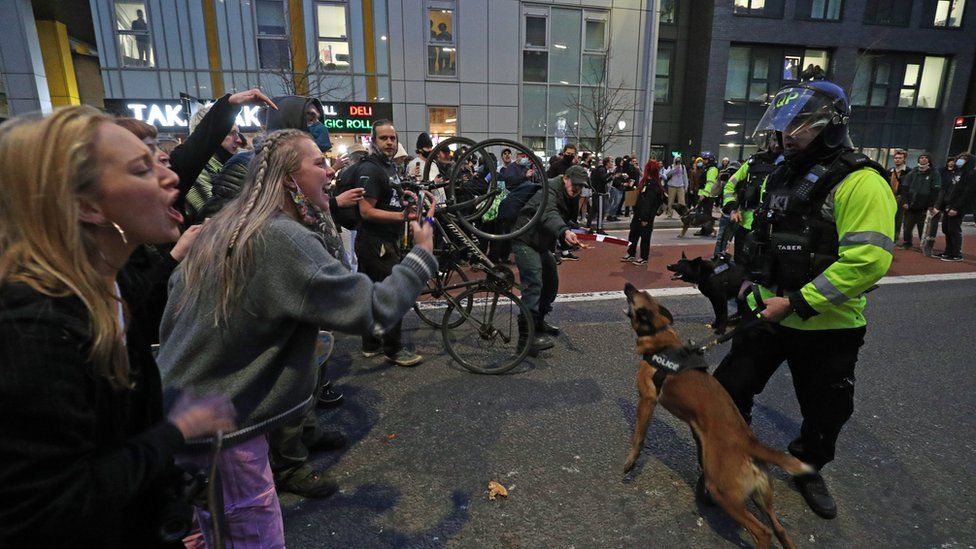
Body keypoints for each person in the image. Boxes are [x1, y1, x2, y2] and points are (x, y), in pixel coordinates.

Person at [157, 129, 437, 545]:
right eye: (319, 163)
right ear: (290, 179)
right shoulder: (280, 237)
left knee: (209, 532)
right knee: (252, 535)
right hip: (220, 429)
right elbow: (374, 311)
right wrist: (422, 255)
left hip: (180, 420)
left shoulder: (227, 226)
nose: (331, 170)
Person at [0, 106, 235, 546]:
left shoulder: (112, 282)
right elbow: (51, 507)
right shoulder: (32, 331)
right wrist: (176, 430)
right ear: (86, 205)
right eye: (143, 168)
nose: (171, 178)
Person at [714, 80, 896, 520]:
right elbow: (763, 235)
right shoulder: (782, 171)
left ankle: (807, 466)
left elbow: (868, 260)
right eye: (784, 125)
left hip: (827, 325)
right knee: (728, 389)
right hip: (766, 311)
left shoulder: (861, 182)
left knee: (826, 409)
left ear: (830, 126)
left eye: (800, 125)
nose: (788, 134)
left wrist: (796, 303)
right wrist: (747, 286)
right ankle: (733, 459)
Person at [356, 120, 426, 366]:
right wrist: (401, 216)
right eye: (383, 138)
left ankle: (371, 344)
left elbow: (388, 199)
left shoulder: (388, 167)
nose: (389, 142)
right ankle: (394, 349)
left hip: (379, 240)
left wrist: (402, 199)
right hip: (377, 242)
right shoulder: (373, 169)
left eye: (392, 138)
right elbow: (365, 210)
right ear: (373, 141)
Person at [511, 165, 587, 355]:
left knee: (551, 280)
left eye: (581, 186)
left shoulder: (569, 194)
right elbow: (549, 214)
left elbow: (563, 220)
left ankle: (538, 322)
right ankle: (525, 340)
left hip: (540, 243)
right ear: (565, 178)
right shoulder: (550, 189)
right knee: (534, 283)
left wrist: (567, 235)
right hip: (525, 239)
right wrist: (564, 231)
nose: (577, 189)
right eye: (575, 184)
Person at [723, 138, 783, 260]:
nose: (776, 144)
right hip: (745, 225)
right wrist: (732, 209)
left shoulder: (790, 164)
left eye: (780, 140)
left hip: (773, 228)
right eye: (774, 139)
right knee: (740, 266)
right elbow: (729, 186)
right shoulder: (753, 162)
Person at [621, 160, 665, 266]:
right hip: (639, 213)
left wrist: (645, 218)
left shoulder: (653, 185)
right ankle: (631, 253)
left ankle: (643, 257)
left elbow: (648, 203)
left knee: (644, 237)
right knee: (634, 234)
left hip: (646, 215)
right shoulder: (647, 182)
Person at [937, 153, 976, 261]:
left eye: (964, 159)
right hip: (948, 204)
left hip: (958, 206)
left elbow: (967, 193)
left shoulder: (971, 174)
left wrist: (956, 208)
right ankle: (948, 251)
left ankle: (956, 253)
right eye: (960, 158)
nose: (960, 160)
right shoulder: (956, 172)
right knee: (946, 228)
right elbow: (949, 189)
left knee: (954, 229)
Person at [897, 153, 939, 250]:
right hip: (911, 204)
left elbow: (936, 190)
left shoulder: (934, 173)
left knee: (923, 227)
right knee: (907, 226)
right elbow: (905, 187)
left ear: (929, 160)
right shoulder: (913, 172)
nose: (923, 159)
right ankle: (907, 243)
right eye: (921, 157)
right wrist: (905, 202)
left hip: (924, 205)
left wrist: (931, 204)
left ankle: (923, 244)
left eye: (925, 157)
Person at [694, 152, 719, 236]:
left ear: (710, 160)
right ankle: (704, 230)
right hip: (705, 194)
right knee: (704, 214)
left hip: (708, 195)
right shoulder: (707, 168)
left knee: (707, 215)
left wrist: (704, 194)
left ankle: (707, 231)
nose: (703, 161)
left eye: (705, 159)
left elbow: (710, 183)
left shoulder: (712, 169)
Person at [888, 149, 910, 244]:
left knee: (898, 219)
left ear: (904, 159)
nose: (897, 160)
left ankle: (895, 238)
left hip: (901, 198)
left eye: (900, 158)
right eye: (896, 158)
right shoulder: (890, 171)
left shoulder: (909, 172)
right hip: (889, 197)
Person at [588, 156, 614, 232]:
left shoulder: (601, 169)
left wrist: (612, 177)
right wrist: (612, 174)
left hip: (597, 193)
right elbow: (603, 179)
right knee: (601, 211)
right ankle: (599, 228)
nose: (612, 163)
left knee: (593, 211)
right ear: (607, 163)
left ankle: (588, 225)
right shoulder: (602, 170)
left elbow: (603, 180)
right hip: (599, 194)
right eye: (611, 161)